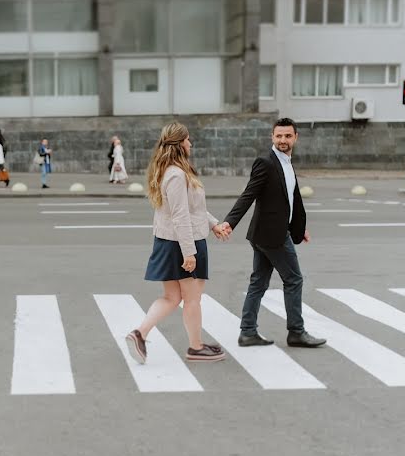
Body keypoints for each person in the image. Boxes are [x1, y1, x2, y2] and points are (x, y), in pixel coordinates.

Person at [125, 121, 229, 364]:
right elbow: (181, 216)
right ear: (180, 143)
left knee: (172, 297)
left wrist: (213, 224)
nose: (191, 143)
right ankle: (195, 347)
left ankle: (140, 334)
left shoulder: (172, 171)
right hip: (184, 242)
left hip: (174, 242)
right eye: (188, 139)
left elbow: (194, 209)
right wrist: (189, 253)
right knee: (192, 298)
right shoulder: (176, 174)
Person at [217, 117, 326, 349]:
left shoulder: (286, 162)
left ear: (295, 137)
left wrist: (298, 228)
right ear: (272, 137)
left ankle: (247, 332)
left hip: (265, 234)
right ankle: (296, 332)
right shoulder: (265, 162)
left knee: (258, 283)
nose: (283, 140)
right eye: (279, 136)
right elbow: (249, 194)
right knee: (294, 280)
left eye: (287, 136)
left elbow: (290, 199)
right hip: (272, 236)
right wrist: (230, 222)